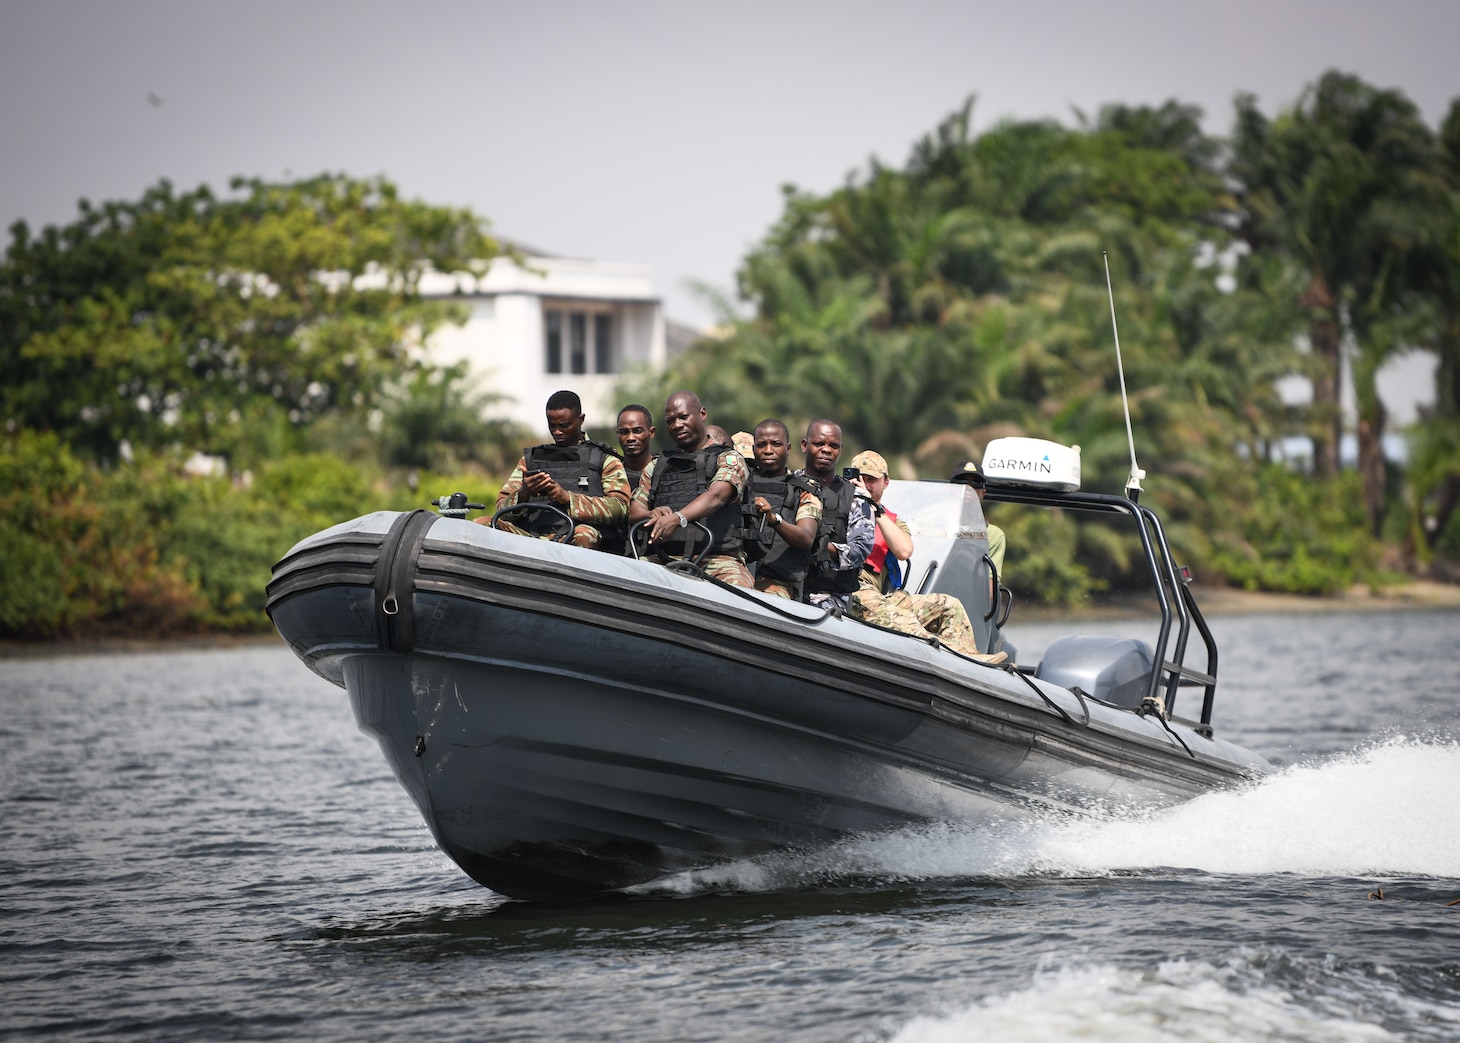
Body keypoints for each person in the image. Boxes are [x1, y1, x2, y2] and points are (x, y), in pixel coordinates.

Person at [848, 450, 1006, 664]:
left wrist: (874, 510)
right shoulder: (840, 506)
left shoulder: (891, 520)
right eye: (860, 479)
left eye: (872, 480)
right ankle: (950, 660)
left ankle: (970, 662)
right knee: (905, 621)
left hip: (879, 594)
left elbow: (904, 551)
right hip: (851, 589)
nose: (865, 486)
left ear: (885, 482)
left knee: (949, 605)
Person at [628, 391, 754, 587]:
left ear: (702, 414)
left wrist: (677, 518)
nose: (677, 425)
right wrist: (651, 513)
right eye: (670, 420)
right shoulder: (657, 465)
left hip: (718, 561)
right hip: (663, 559)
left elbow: (717, 496)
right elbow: (635, 511)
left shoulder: (728, 459)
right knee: (628, 581)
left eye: (683, 417)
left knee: (740, 593)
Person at [483, 389, 630, 550]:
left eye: (564, 426)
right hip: (530, 538)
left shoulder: (604, 459)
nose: (557, 432)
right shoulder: (530, 460)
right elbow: (500, 511)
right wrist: (524, 493)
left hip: (577, 537)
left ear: (580, 420)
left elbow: (621, 507)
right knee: (482, 524)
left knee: (584, 535)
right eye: (552, 426)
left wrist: (567, 498)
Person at [797, 419, 875, 610]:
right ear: (805, 445)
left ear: (841, 449)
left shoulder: (856, 497)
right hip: (784, 585)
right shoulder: (788, 485)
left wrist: (821, 546)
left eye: (833, 446)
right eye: (819, 444)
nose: (826, 450)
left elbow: (860, 551)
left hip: (829, 596)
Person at [742, 419, 822, 600]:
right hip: (737, 573)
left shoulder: (804, 490)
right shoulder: (740, 482)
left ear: (788, 448)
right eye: (761, 445)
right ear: (754, 449)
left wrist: (774, 520)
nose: (768, 450)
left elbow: (806, 538)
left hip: (776, 583)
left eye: (776, 444)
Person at [950, 460, 1005, 578]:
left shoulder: (994, 535)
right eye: (962, 482)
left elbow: (990, 587)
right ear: (951, 489)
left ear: (982, 493)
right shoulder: (930, 526)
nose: (969, 488)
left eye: (976, 484)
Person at [615, 404, 657, 492]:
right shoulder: (611, 475)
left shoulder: (663, 470)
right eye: (624, 432)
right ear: (617, 434)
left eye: (637, 431)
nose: (630, 438)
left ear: (651, 432)